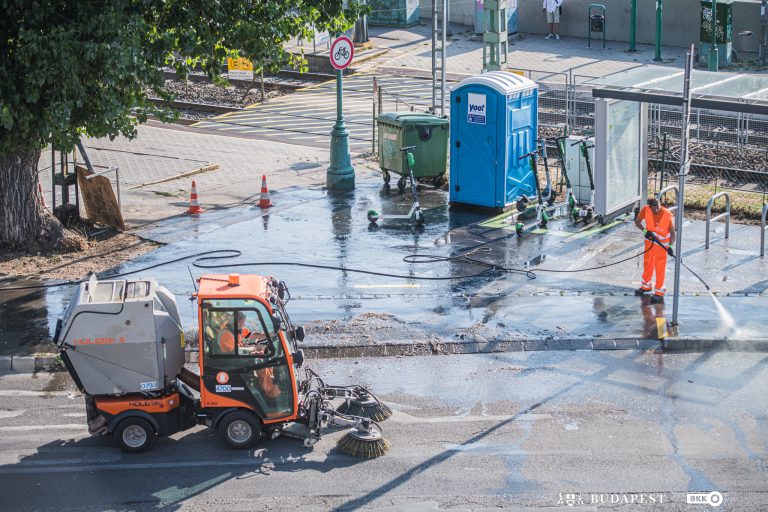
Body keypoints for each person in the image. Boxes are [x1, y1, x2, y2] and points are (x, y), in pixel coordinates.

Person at [634, 197, 676, 304]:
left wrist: (670, 246)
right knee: (647, 264)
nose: (656, 210)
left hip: (662, 246)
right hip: (650, 243)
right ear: (650, 207)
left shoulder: (667, 215)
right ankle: (646, 286)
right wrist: (644, 231)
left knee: (660, 268)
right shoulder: (645, 209)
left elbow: (672, 233)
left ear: (659, 205)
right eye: (654, 209)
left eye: (658, 207)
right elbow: (637, 221)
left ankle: (659, 293)